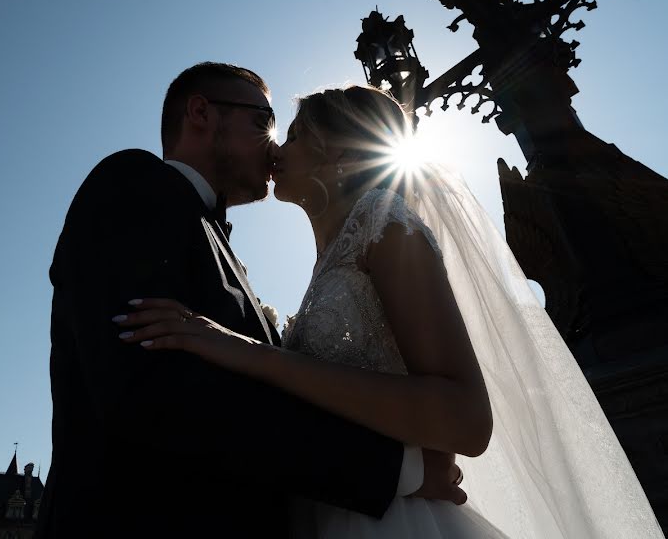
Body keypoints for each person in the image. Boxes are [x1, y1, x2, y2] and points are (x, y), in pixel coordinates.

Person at [118, 85, 665, 538]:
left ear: (339, 154)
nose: (277, 149)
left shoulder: (387, 226)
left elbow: (467, 420)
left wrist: (251, 354)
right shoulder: (329, 262)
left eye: (296, 133)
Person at [33, 65, 464, 539]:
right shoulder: (133, 182)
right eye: (265, 122)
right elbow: (154, 389)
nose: (275, 145)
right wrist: (396, 470)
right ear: (200, 112)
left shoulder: (227, 245)